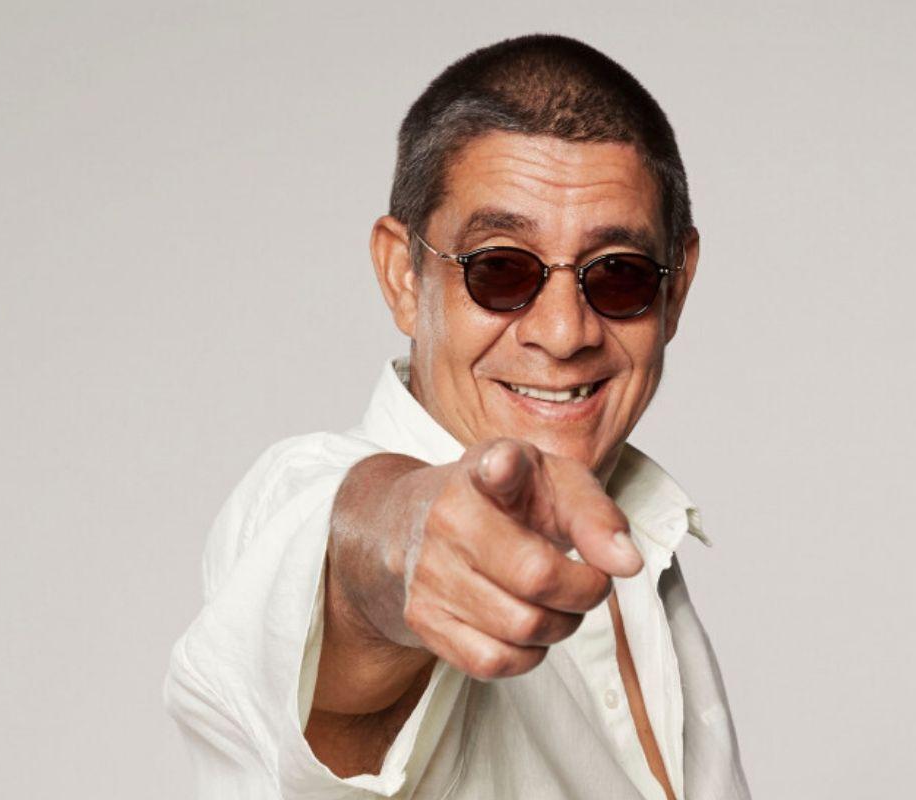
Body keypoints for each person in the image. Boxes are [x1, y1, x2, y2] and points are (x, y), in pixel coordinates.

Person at [164, 33, 751, 800]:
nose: (564, 331)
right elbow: (357, 550)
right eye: (500, 268)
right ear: (403, 275)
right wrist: (410, 544)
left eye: (619, 274)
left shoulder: (647, 541)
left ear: (676, 288)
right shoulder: (297, 502)